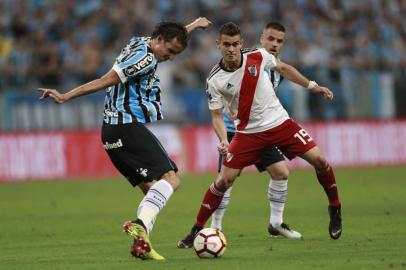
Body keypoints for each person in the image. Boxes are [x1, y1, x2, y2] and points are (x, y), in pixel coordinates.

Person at [38, 17, 212, 260]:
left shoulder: (141, 42)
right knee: (171, 179)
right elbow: (103, 81)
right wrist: (66, 96)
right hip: (126, 126)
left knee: (152, 192)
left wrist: (193, 25)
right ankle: (139, 224)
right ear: (159, 41)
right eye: (170, 52)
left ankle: (143, 245)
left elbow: (173, 33)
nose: (170, 58)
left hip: (109, 133)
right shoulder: (144, 59)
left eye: (175, 54)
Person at [178, 22, 342, 246]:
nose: (231, 49)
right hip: (248, 134)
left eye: (235, 44)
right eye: (226, 44)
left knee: (319, 160)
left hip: (280, 124)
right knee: (223, 180)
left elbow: (283, 68)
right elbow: (216, 115)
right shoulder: (214, 80)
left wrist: (313, 86)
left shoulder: (258, 56)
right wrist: (224, 140)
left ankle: (334, 208)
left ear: (241, 44)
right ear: (218, 45)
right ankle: (196, 230)